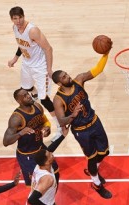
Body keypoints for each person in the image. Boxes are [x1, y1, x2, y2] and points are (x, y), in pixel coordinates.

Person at [51, 50, 113, 199]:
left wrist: (106, 53)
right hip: (81, 131)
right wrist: (73, 114)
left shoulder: (79, 80)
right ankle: (96, 183)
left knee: (105, 152)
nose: (68, 76)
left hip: (94, 122)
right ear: (59, 83)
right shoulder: (58, 100)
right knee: (91, 158)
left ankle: (93, 170)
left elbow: (97, 70)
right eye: (64, 77)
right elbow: (61, 121)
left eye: (66, 73)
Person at [8, 6, 61, 141]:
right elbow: (22, 45)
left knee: (44, 99)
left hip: (40, 67)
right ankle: (37, 94)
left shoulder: (33, 30)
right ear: (12, 19)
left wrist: (49, 69)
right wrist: (15, 58)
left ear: (23, 16)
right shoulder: (15, 28)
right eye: (15, 18)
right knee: (26, 89)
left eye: (20, 17)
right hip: (27, 64)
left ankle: (60, 126)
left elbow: (48, 48)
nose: (18, 21)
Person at [3, 88, 66, 187]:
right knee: (36, 184)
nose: (28, 96)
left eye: (27, 93)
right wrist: (20, 133)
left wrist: (47, 127)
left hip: (40, 148)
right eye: (24, 96)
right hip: (27, 155)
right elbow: (6, 141)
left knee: (56, 172)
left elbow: (43, 120)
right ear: (19, 101)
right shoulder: (16, 118)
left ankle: (51, 198)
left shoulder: (37, 106)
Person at [27, 125, 69, 205]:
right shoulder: (47, 179)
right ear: (47, 162)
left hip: (46, 201)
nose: (51, 153)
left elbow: (49, 149)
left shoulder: (40, 165)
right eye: (49, 154)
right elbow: (31, 200)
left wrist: (63, 135)